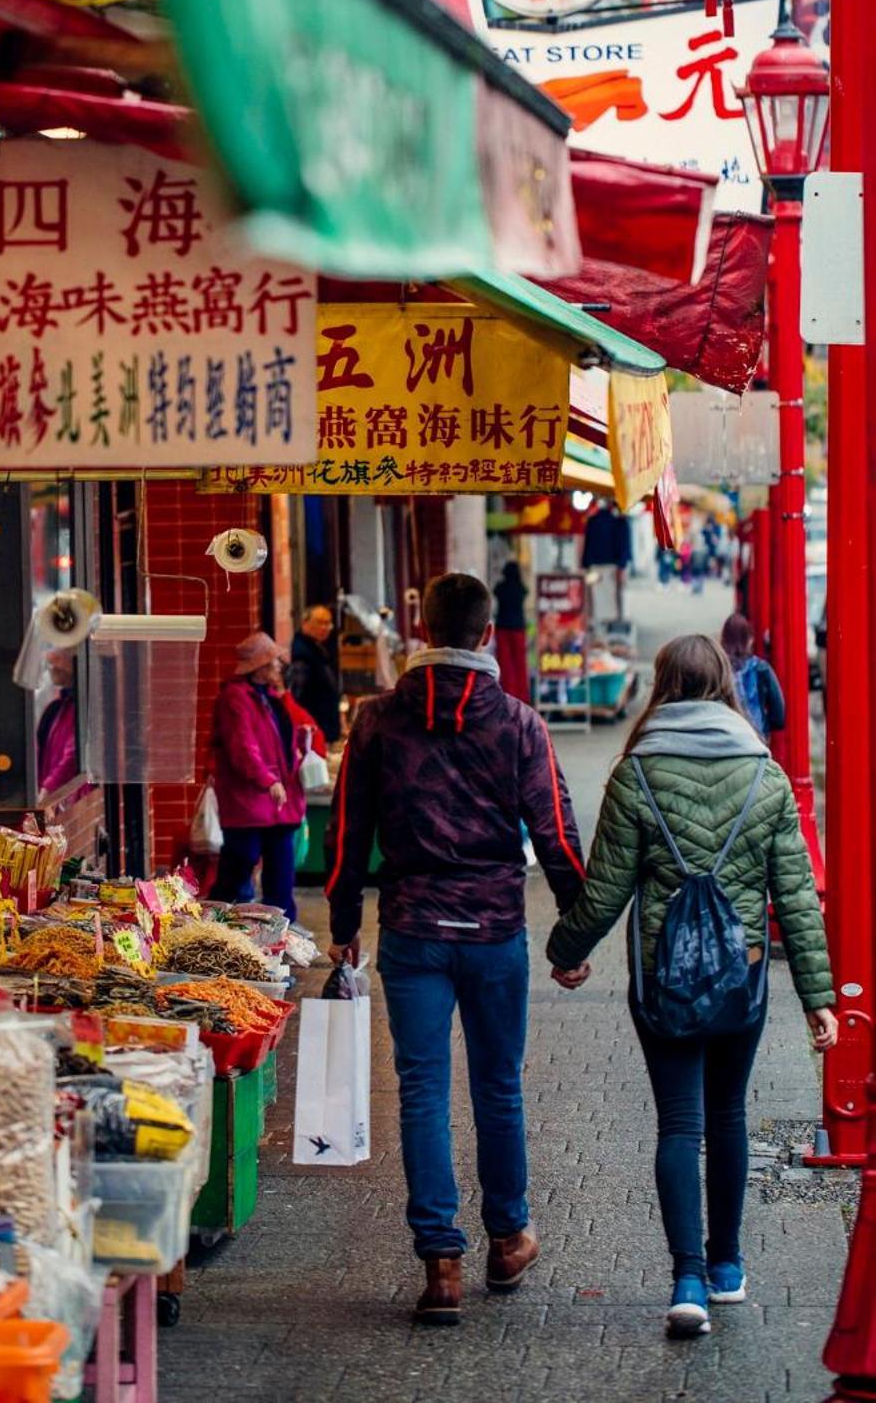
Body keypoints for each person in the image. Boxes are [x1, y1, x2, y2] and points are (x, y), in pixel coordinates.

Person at [546, 635, 835, 1340]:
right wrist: (817, 999)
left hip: (661, 979)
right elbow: (795, 897)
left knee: (679, 1124)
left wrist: (565, 952)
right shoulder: (764, 776)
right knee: (728, 1116)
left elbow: (607, 887)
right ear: (727, 690)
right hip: (740, 978)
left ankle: (686, 1282)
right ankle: (728, 1266)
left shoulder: (634, 773)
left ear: (661, 687)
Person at [325, 572, 587, 1326]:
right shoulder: (518, 724)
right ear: (484, 633)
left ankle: (439, 1263)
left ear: (423, 629)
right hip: (494, 930)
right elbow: (557, 837)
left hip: (411, 930)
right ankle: (507, 1241)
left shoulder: (377, 721)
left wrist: (343, 925)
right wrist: (571, 937)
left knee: (422, 1092)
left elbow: (348, 834)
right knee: (498, 1090)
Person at [209, 632, 310, 919]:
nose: (279, 665)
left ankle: (282, 924)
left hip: (276, 800)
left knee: (281, 866)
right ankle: (228, 922)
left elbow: (276, 741)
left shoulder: (269, 697)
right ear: (260, 665)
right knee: (240, 864)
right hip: (250, 799)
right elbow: (242, 747)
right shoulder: (236, 698)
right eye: (274, 660)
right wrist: (268, 779)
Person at [720, 612, 786, 747]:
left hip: (725, 737)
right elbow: (779, 716)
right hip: (756, 738)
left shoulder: (717, 668)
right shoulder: (761, 668)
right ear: (749, 639)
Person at [289, 604, 340, 756]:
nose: (326, 627)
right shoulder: (302, 654)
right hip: (312, 732)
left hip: (322, 731)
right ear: (305, 623)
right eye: (320, 622)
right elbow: (296, 694)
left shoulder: (317, 648)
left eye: (328, 623)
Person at [36, 651, 77, 799]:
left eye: (57, 659)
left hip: (71, 799)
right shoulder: (61, 706)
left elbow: (74, 754)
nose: (51, 666)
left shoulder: (78, 706)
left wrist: (49, 787)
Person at [492, 561, 530, 704]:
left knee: (505, 663)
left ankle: (507, 694)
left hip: (502, 628)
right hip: (518, 628)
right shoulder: (522, 589)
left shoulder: (500, 588)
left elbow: (495, 592)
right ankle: (522, 697)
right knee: (520, 664)